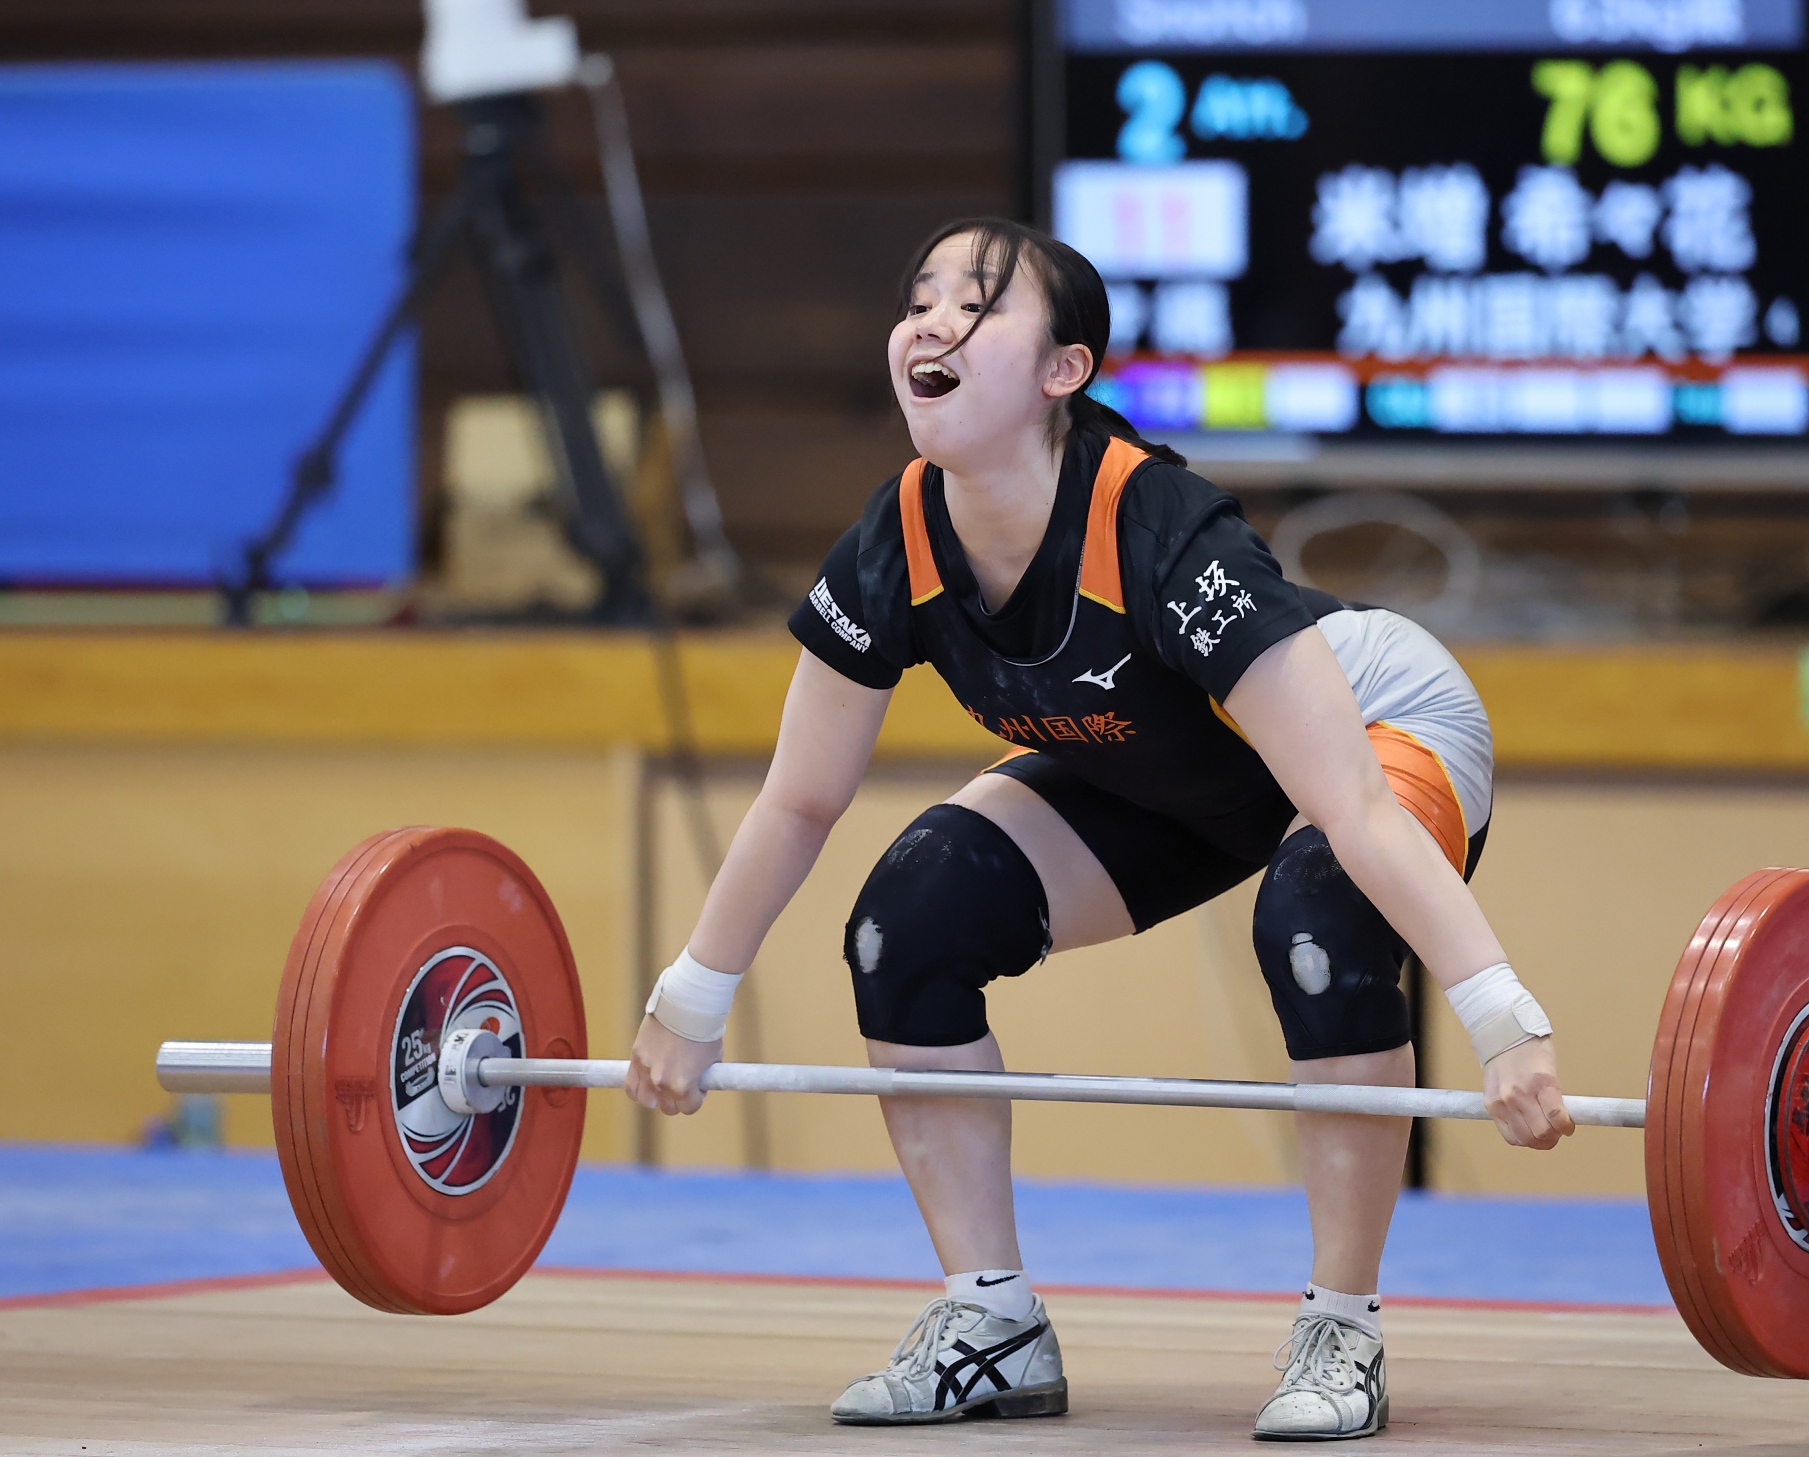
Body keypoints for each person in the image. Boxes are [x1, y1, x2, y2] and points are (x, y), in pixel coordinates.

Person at [625, 217, 1572, 1440]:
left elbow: (1349, 805)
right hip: (1170, 776)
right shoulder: (896, 537)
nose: (930, 323)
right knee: (907, 922)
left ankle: (1343, 1327)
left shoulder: (1158, 526)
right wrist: (690, 999)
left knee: (1315, 922)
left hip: (1382, 726)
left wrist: (1505, 1022)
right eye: (919, 300)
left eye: (976, 304)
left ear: (1063, 369)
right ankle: (992, 1320)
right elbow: (799, 798)